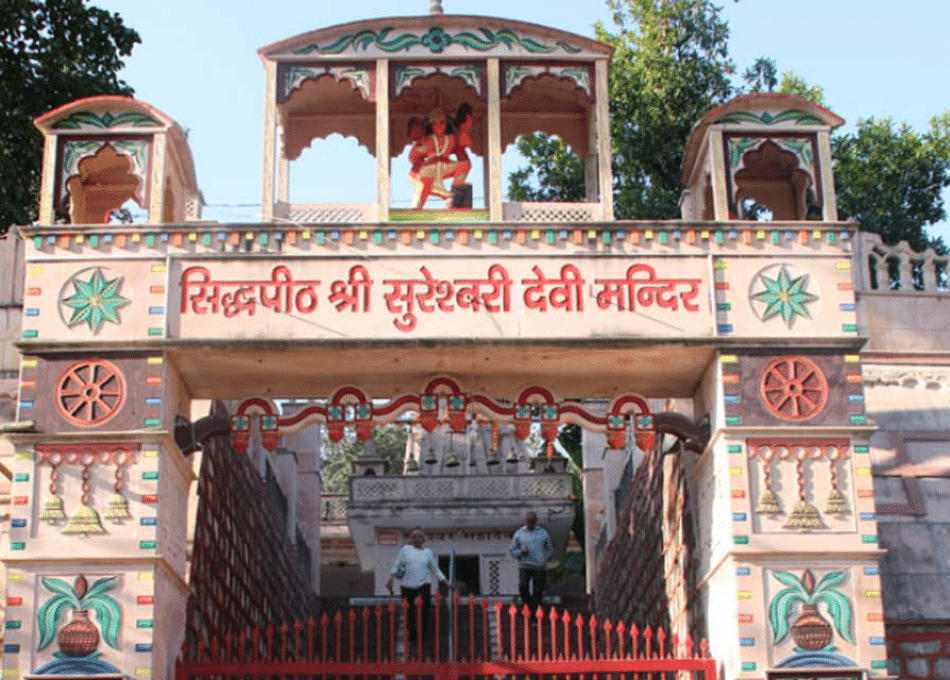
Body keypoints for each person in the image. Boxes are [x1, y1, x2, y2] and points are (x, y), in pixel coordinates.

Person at [386, 527, 450, 651]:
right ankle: (412, 636)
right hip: (407, 585)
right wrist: (390, 579)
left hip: (423, 584)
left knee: (426, 608)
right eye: (414, 538)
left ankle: (424, 634)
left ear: (423, 540)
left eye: (419, 538)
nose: (417, 540)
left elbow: (435, 569)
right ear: (411, 540)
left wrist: (444, 581)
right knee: (409, 611)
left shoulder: (427, 552)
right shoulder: (406, 550)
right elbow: (397, 565)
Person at [414, 107, 470, 209]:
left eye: (442, 123)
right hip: (430, 169)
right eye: (435, 124)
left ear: (447, 124)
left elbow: (462, 156)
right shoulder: (427, 139)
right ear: (431, 126)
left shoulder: (451, 139)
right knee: (425, 185)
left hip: (445, 166)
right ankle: (417, 207)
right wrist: (424, 151)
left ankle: (457, 189)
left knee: (465, 165)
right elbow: (413, 156)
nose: (439, 127)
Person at [509, 511, 553, 612]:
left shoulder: (543, 533)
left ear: (536, 521)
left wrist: (544, 558)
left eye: (532, 522)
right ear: (526, 521)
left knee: (538, 591)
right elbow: (512, 550)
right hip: (525, 565)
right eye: (529, 522)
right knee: (523, 587)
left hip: (539, 566)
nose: (530, 524)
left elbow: (549, 548)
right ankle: (528, 606)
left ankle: (535, 613)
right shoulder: (520, 533)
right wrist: (521, 551)